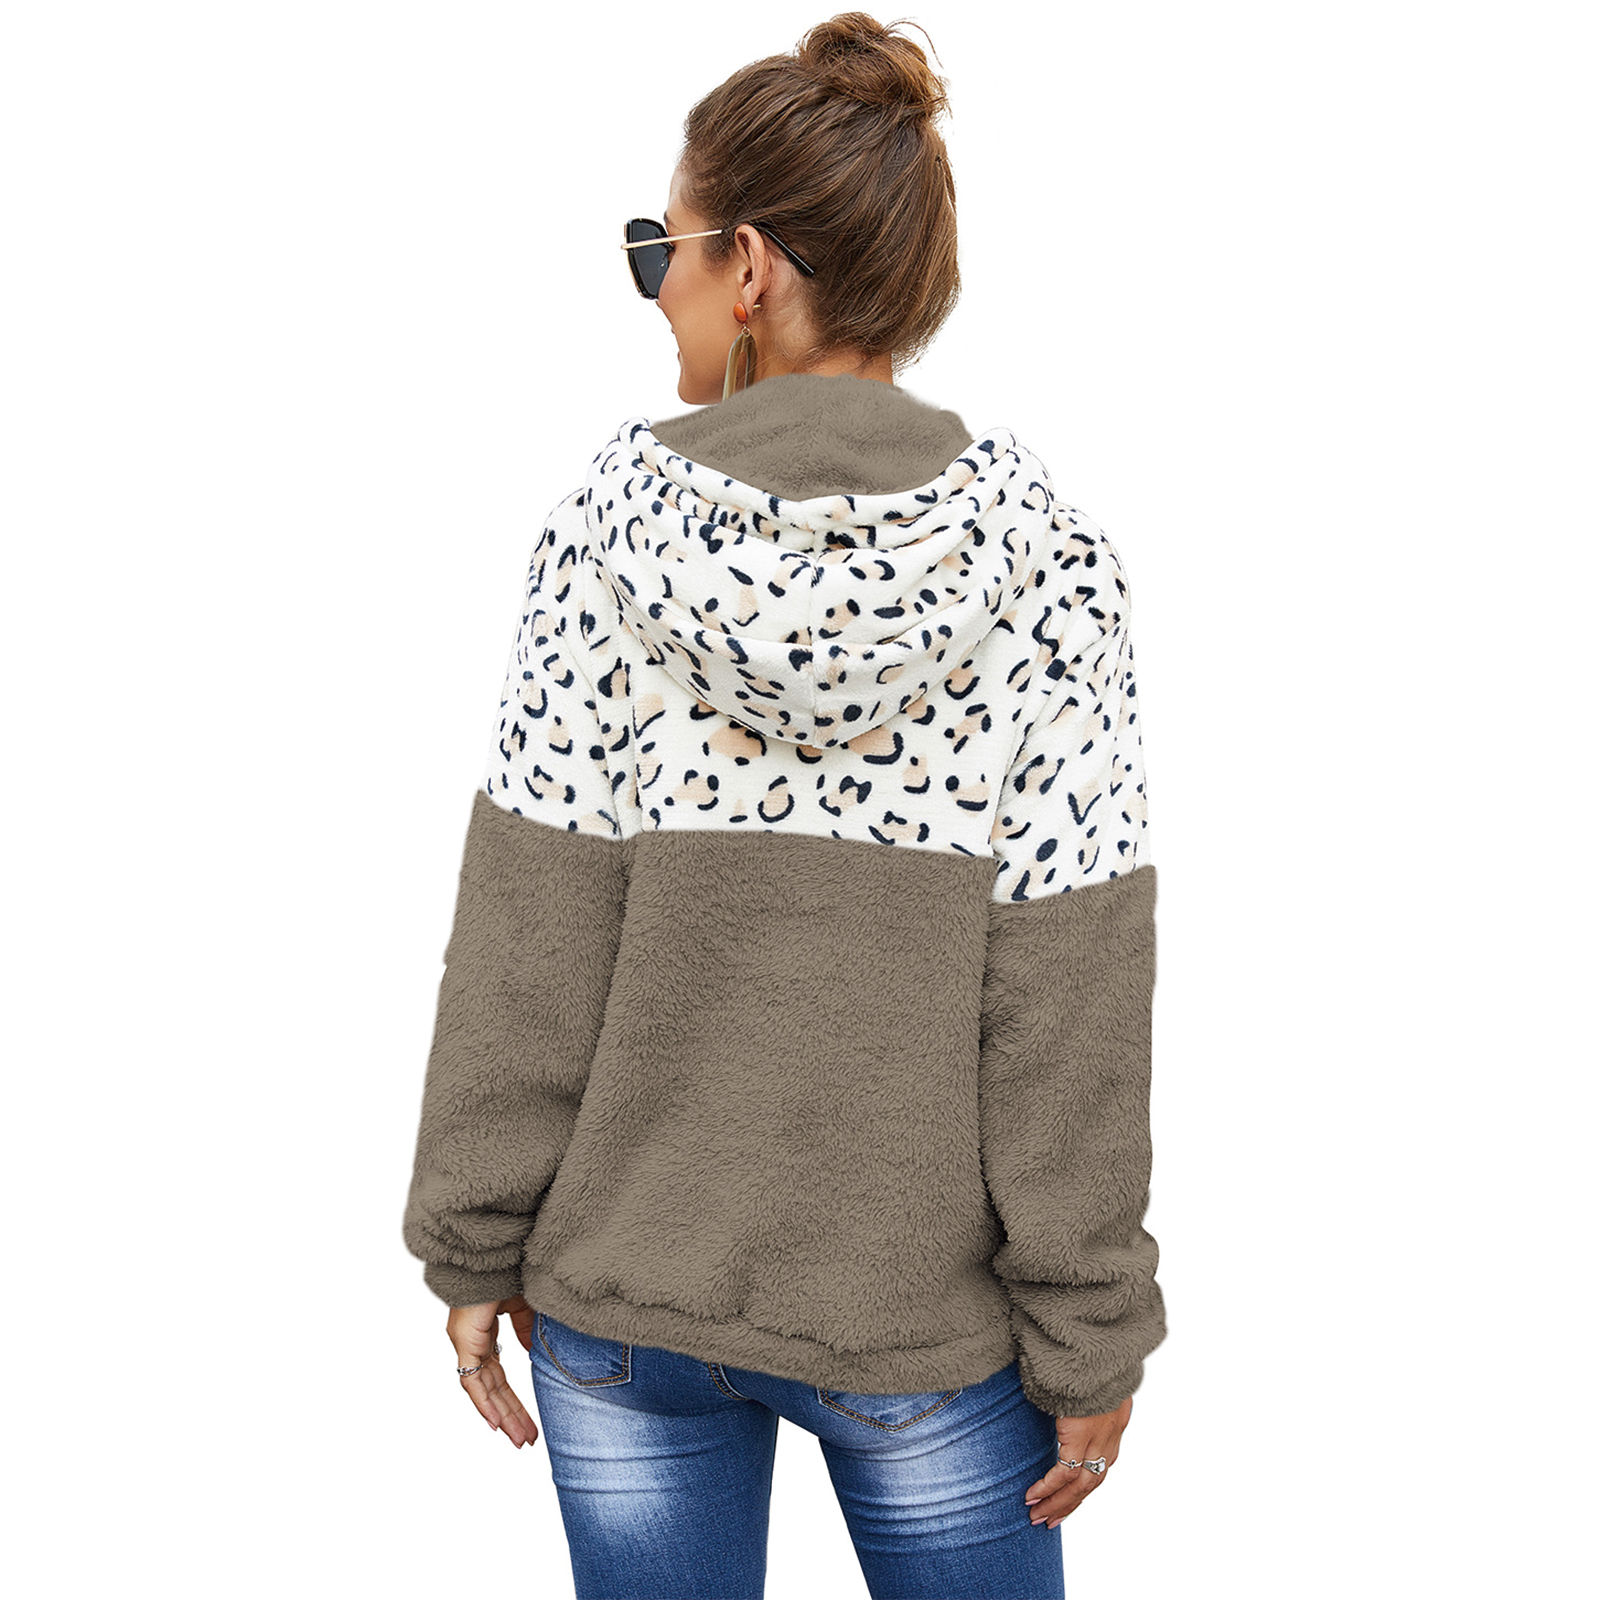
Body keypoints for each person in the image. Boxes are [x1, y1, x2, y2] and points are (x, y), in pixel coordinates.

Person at [401, 13, 1166, 1599]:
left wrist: (472, 1237)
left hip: (625, 1311)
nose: (654, 290)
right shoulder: (1047, 561)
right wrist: (1091, 1325)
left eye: (659, 249)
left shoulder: (604, 532)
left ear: (746, 265)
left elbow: (531, 929)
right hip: (921, 1327)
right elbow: (1068, 988)